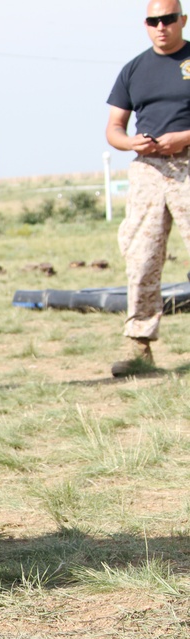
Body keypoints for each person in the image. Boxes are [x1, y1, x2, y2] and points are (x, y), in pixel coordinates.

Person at [106, 0, 190, 376]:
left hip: (187, 160)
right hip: (148, 170)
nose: (161, 26)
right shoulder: (134, 69)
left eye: (168, 19)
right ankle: (141, 349)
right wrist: (132, 143)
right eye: (153, 20)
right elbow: (113, 129)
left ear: (182, 21)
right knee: (141, 258)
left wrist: (184, 137)